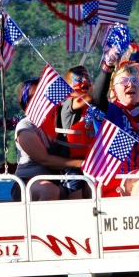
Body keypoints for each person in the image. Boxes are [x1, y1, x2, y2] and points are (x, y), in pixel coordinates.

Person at [91, 59, 139, 197]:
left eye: (135, 81)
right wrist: (108, 67)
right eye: (124, 81)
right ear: (113, 90)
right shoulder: (111, 111)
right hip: (113, 181)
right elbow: (98, 99)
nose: (130, 84)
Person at [13, 78, 84, 201]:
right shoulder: (25, 127)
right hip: (27, 183)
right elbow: (45, 160)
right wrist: (83, 164)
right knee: (49, 190)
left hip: (60, 179)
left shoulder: (58, 124)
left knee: (89, 188)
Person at [51, 65, 95, 199]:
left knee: (92, 194)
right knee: (76, 195)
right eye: (79, 79)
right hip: (71, 164)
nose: (85, 81)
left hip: (89, 162)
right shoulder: (68, 103)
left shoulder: (91, 106)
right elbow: (88, 98)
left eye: (87, 78)